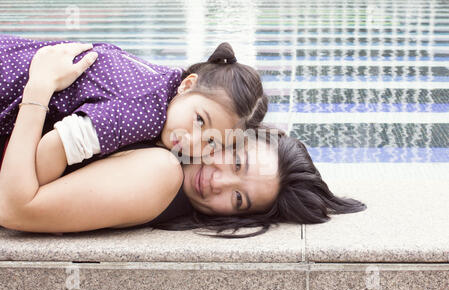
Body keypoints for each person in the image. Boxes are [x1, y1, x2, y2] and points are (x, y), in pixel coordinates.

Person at [0, 42, 367, 239]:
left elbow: (16, 209)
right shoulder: (164, 126)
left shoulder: (161, 172)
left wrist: (40, 86)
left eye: (239, 200)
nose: (218, 181)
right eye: (237, 163)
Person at [0, 34, 268, 184]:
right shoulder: (145, 113)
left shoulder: (164, 79)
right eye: (199, 120)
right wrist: (42, 197)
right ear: (187, 85)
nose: (192, 141)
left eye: (211, 142)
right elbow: (53, 148)